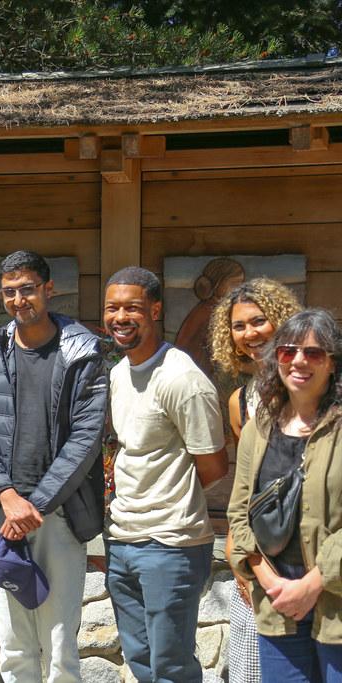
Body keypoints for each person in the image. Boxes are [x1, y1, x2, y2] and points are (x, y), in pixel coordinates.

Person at [0, 250, 108, 683]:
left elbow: (86, 439)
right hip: (1, 518)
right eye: (9, 292)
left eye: (27, 289)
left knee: (61, 648)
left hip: (59, 517)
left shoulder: (82, 352)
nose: (18, 299)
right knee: (14, 647)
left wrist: (34, 505)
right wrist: (7, 498)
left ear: (48, 289)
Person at [103, 266, 228, 683]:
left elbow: (213, 465)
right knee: (140, 661)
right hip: (123, 539)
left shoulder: (182, 378)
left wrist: (168, 494)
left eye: (132, 308)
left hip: (171, 544)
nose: (120, 317)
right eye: (112, 308)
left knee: (171, 667)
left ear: (155, 310)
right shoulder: (119, 373)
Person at [228, 308, 342, 681]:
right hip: (278, 604)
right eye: (287, 351)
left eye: (314, 353)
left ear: (332, 363)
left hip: (336, 602)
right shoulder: (258, 428)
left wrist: (313, 584)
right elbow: (239, 513)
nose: (298, 361)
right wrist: (270, 582)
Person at [208, 279, 302, 683]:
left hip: (312, 551)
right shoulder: (240, 402)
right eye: (239, 326)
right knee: (253, 666)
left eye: (259, 321)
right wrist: (238, 547)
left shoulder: (321, 390)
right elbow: (246, 485)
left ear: (282, 320)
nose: (250, 333)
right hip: (259, 553)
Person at [175, 257, 246, 376]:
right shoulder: (208, 312)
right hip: (197, 372)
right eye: (234, 284)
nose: (239, 289)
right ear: (218, 284)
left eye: (241, 284)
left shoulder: (218, 308)